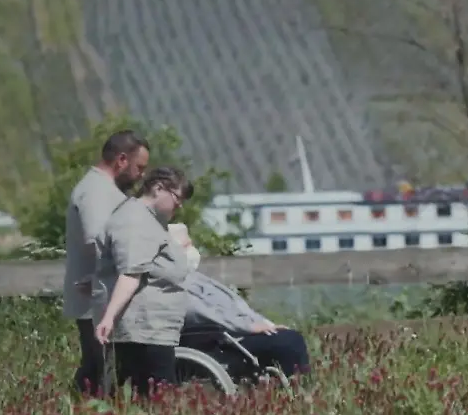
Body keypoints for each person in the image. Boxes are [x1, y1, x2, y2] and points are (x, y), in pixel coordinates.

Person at [93, 166, 194, 399]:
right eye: (178, 198)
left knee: (153, 399)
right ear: (159, 188)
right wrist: (109, 317)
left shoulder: (148, 221)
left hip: (154, 329)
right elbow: (130, 273)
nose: (180, 205)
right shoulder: (135, 221)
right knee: (155, 399)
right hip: (143, 330)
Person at [63, 130, 150, 397]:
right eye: (139, 167)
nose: (141, 175)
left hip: (102, 296)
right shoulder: (96, 192)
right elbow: (97, 241)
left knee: (100, 370)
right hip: (96, 300)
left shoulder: (103, 190)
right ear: (121, 159)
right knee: (101, 371)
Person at [170, 227, 311, 381]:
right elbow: (198, 313)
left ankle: (296, 388)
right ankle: (294, 391)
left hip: (234, 335)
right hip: (222, 340)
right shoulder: (171, 283)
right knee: (287, 342)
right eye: (186, 246)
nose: (192, 250)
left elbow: (237, 305)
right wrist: (249, 327)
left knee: (289, 337)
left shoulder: (196, 278)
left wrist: (266, 324)